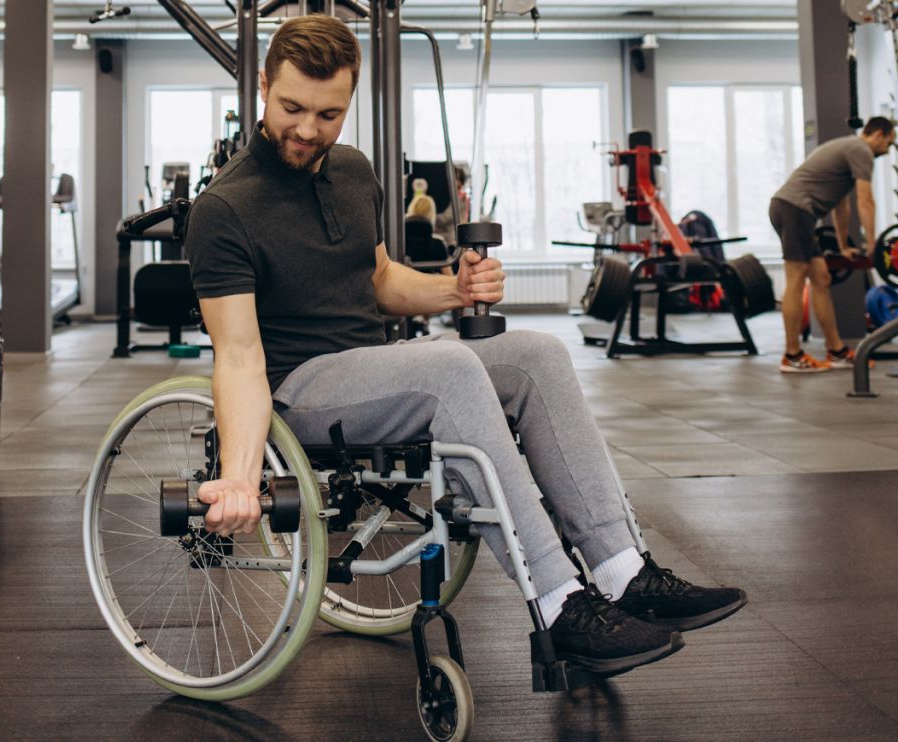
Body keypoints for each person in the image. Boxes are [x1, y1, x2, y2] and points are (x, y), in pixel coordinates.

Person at [185, 14, 745, 676]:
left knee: (537, 355)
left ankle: (623, 569)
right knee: (448, 368)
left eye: (329, 114)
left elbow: (379, 279)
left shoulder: (355, 172)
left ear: (351, 100)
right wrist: (242, 478)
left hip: (374, 372)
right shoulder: (225, 208)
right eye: (292, 108)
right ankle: (559, 602)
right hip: (299, 391)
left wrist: (456, 289)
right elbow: (241, 357)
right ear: (261, 86)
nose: (308, 130)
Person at [770, 116, 896, 373]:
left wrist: (843, 246)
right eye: (890, 142)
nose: (889, 148)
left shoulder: (847, 149)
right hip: (795, 210)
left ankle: (836, 350)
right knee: (796, 279)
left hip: (796, 210)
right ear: (880, 134)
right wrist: (871, 245)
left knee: (822, 278)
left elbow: (842, 206)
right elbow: (866, 200)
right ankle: (792, 356)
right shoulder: (861, 151)